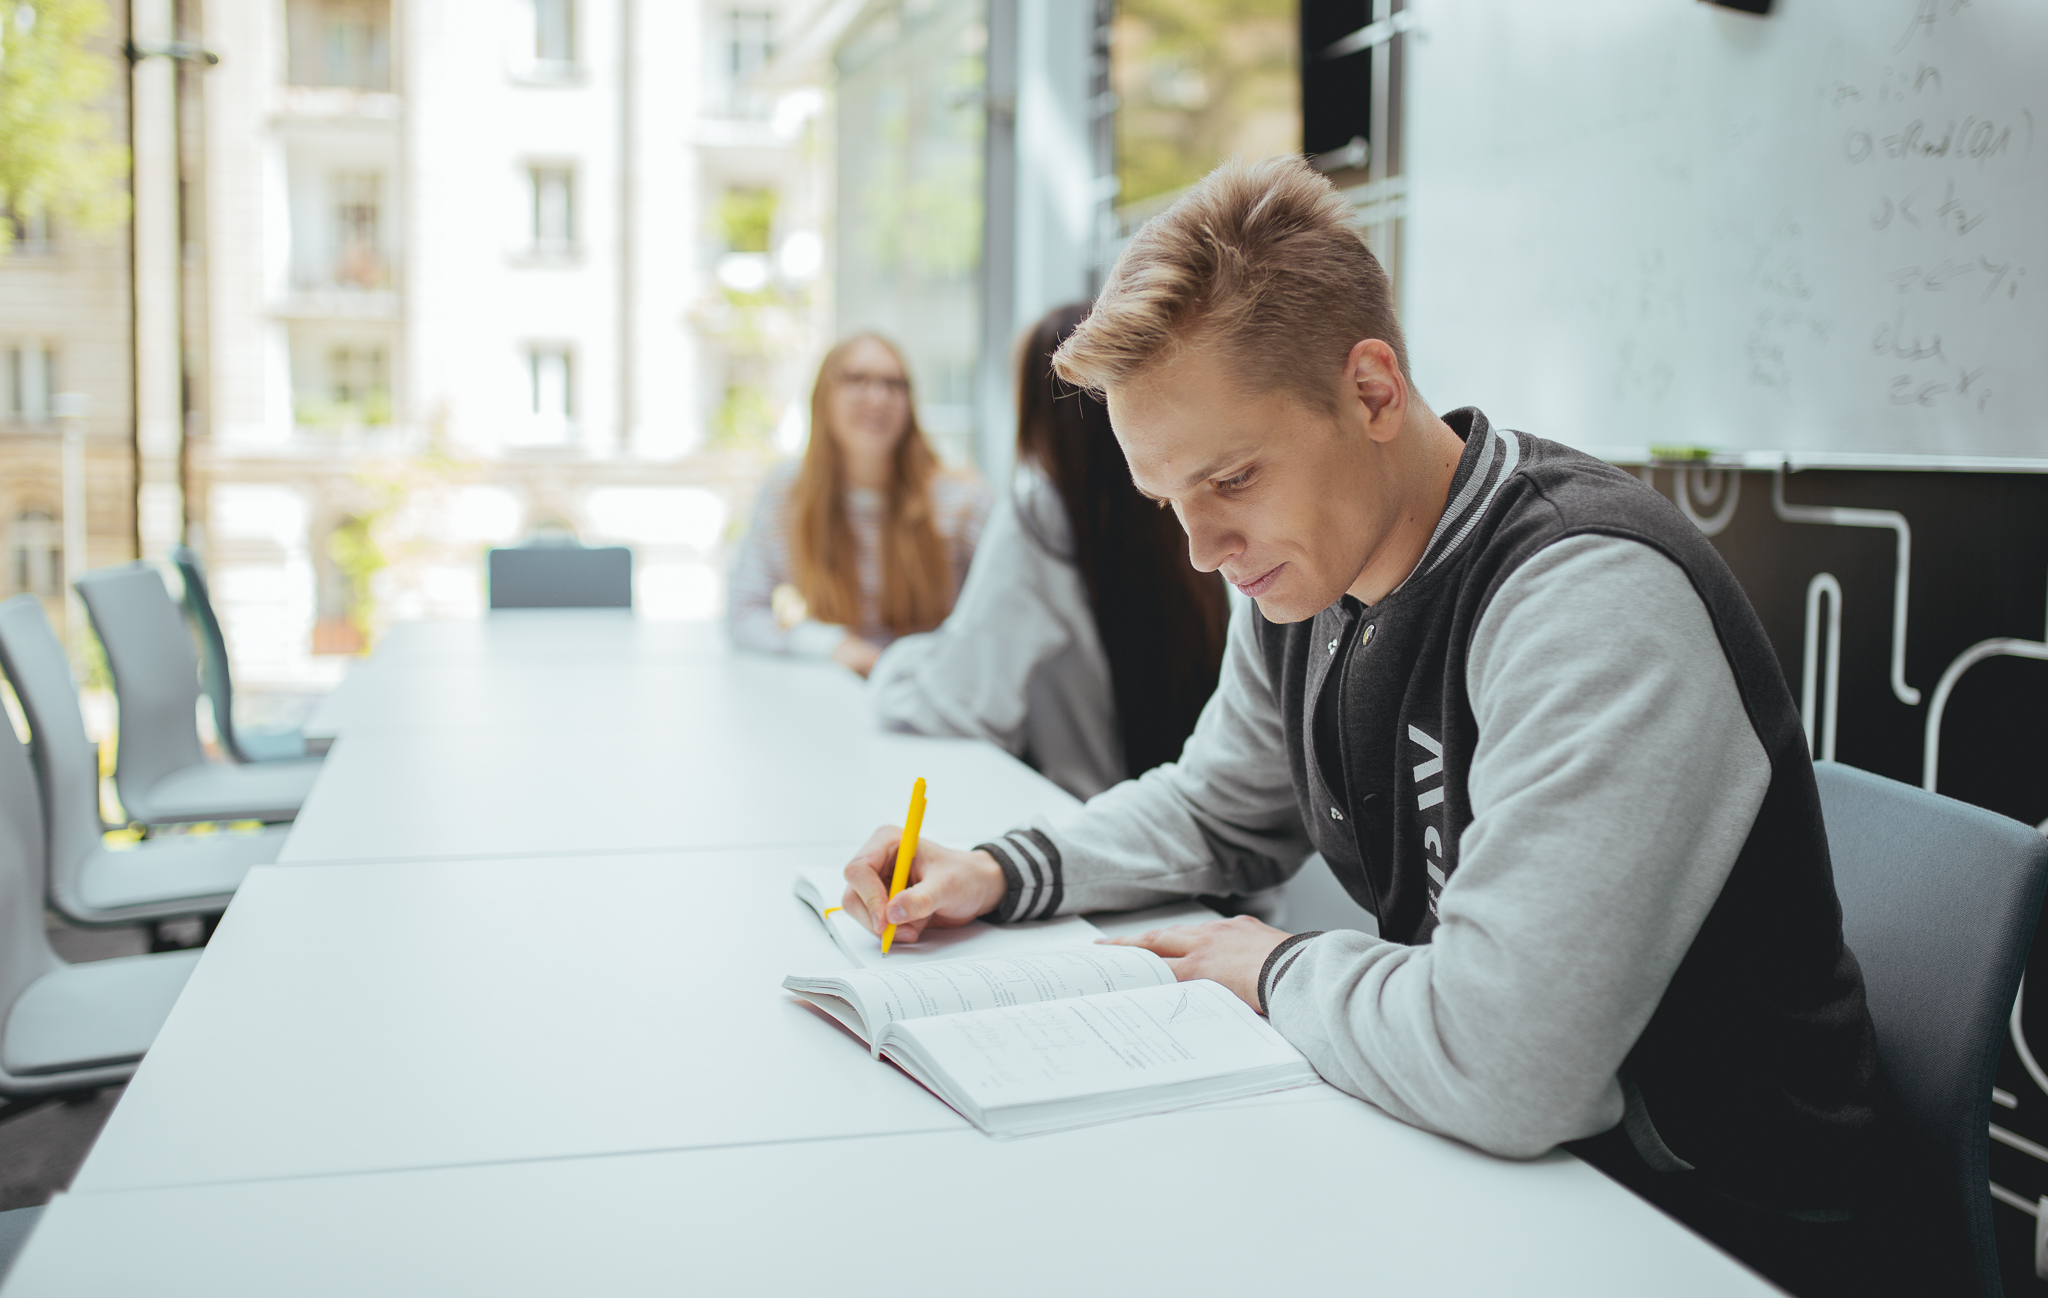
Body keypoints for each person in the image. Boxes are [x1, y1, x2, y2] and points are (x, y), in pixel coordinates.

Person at [834, 158, 1896, 1295]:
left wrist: (1276, 965)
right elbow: (1214, 808)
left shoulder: (1584, 600)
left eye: (1231, 477)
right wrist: (1001, 868)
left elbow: (1506, 1059)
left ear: (1373, 392)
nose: (1202, 548)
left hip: (1701, 1219)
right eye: (1169, 502)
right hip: (1502, 1171)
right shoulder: (1306, 573)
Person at [866, 304, 1230, 800]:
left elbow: (955, 703)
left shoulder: (1042, 518)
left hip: (1086, 816)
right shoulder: (1175, 505)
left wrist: (890, 662)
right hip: (1174, 813)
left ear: (1043, 408)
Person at [728, 335, 991, 676]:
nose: (878, 397)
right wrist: (832, 646)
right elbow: (743, 614)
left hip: (930, 693)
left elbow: (999, 623)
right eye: (857, 379)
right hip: (833, 692)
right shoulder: (786, 493)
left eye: (894, 384)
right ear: (823, 395)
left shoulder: (964, 499)